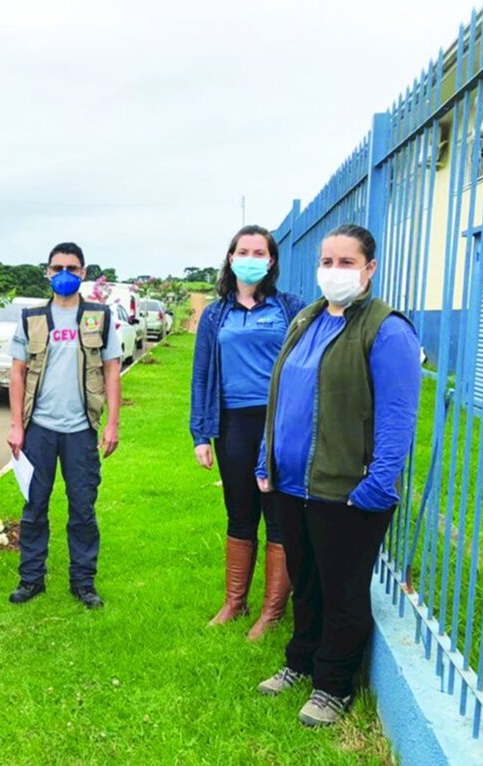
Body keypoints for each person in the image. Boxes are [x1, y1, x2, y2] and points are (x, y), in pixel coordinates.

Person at [255, 223, 420, 726]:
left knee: (342, 591)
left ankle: (334, 685)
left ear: (369, 270)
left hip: (346, 490)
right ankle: (301, 661)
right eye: (327, 261)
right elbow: (280, 396)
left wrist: (375, 484)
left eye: (347, 263)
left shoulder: (387, 329)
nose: (334, 271)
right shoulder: (305, 320)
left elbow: (399, 415)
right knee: (305, 583)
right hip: (292, 485)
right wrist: (267, 458)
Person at [189, 225, 305, 640]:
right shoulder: (217, 314)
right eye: (244, 250)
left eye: (260, 251)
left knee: (278, 515)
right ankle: (235, 602)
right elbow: (201, 373)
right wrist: (200, 434)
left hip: (279, 424)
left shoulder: (290, 308)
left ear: (271, 260)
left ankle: (272, 612)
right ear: (231, 257)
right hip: (233, 424)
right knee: (240, 512)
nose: (251, 257)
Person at [6, 242, 122, 609]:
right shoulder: (32, 318)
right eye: (58, 268)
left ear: (84, 273)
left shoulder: (99, 317)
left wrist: (112, 424)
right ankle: (31, 579)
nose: (65, 275)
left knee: (83, 508)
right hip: (39, 428)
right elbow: (17, 373)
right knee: (34, 506)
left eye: (72, 268)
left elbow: (112, 370)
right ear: (47, 272)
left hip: (80, 430)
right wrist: (16, 426)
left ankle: (83, 583)